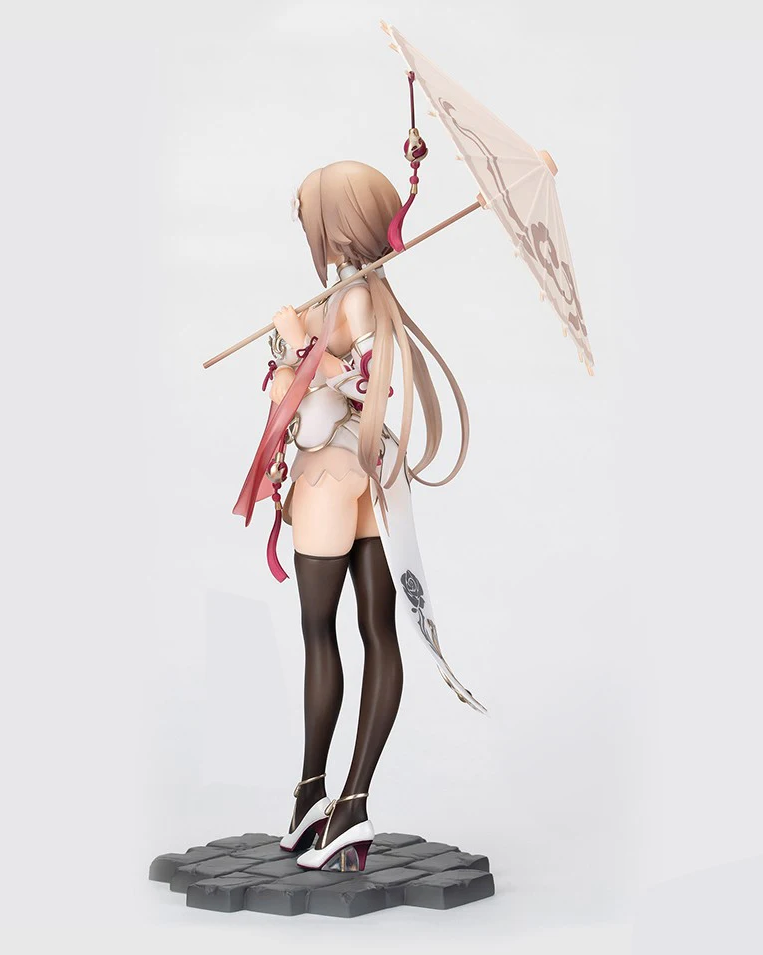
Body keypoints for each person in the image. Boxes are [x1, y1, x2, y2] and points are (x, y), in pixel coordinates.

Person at [232, 160, 485, 873]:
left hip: (331, 474)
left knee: (325, 634)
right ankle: (338, 802)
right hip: (374, 475)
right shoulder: (362, 294)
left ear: (334, 223)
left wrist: (292, 346)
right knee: (376, 631)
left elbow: (354, 388)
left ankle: (328, 794)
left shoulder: (357, 298)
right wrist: (295, 348)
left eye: (310, 212)